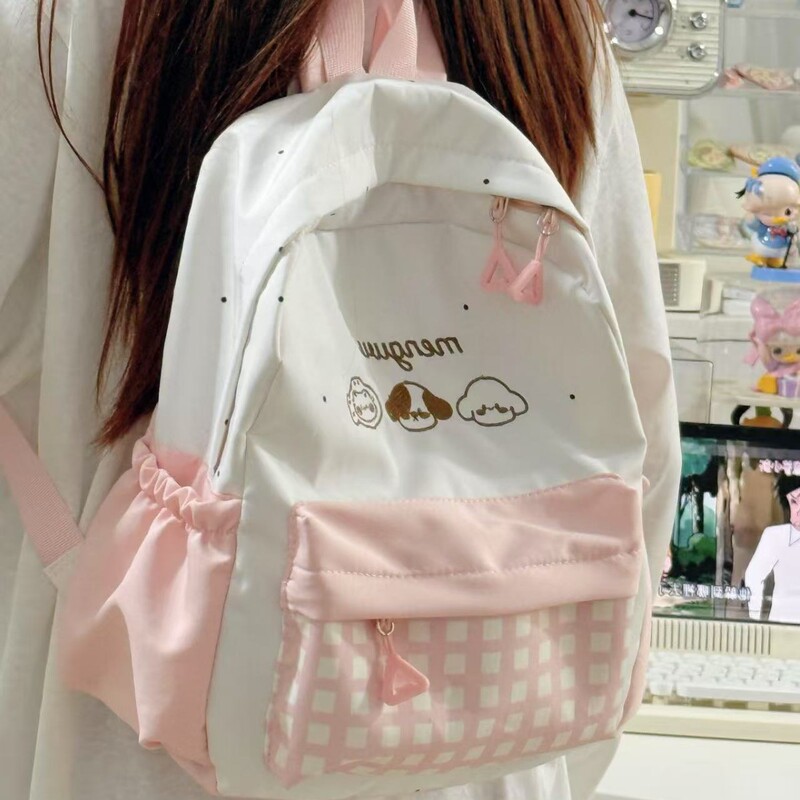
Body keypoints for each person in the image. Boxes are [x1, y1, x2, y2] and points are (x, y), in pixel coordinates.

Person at [0, 1, 680, 798]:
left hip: (122, 747)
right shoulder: (550, 24)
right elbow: (643, 433)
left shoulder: (56, 26)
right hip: (491, 735)